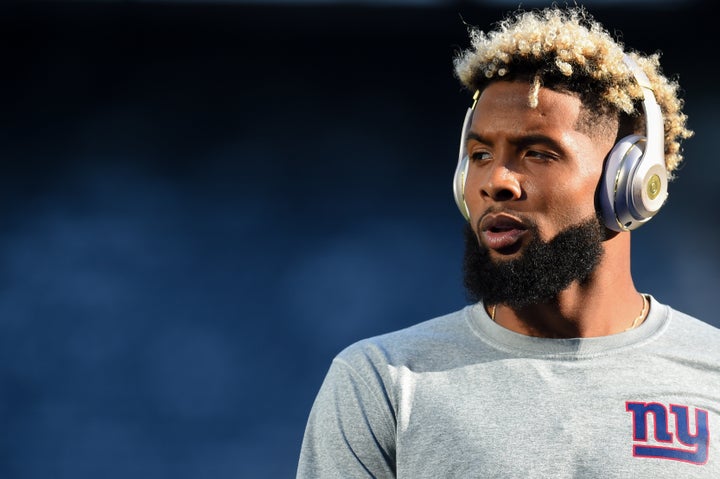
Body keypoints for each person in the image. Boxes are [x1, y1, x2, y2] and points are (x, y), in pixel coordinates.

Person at [297, 5, 720, 478]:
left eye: (537, 153)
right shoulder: (382, 380)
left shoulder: (711, 374)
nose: (495, 180)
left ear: (630, 181)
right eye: (479, 154)